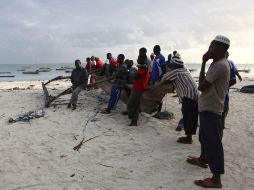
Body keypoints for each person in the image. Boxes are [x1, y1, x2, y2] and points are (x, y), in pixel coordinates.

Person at [187, 35, 230, 188]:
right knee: (205, 138)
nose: (209, 49)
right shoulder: (217, 64)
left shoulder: (220, 65)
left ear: (222, 48)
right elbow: (203, 83)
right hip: (207, 107)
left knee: (214, 144)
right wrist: (206, 62)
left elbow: (201, 86)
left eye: (212, 46)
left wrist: (204, 62)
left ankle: (216, 179)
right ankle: (203, 160)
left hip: (212, 109)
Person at [161, 54, 199, 144]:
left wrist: (168, 69)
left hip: (188, 95)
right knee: (193, 116)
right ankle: (190, 135)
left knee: (187, 116)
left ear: (174, 65)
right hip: (196, 94)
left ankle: (188, 138)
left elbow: (164, 78)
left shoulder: (176, 72)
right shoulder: (185, 70)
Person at [127, 54, 150, 126]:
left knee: (132, 104)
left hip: (139, 88)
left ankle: (134, 120)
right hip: (137, 87)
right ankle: (133, 119)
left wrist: (132, 73)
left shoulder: (143, 68)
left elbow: (136, 76)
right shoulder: (142, 66)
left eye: (138, 58)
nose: (137, 59)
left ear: (142, 60)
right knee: (134, 104)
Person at [222, 51, 242, 130]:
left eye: (228, 54)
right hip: (224, 84)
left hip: (228, 83)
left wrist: (239, 75)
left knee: (226, 106)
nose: (227, 55)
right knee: (223, 105)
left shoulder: (230, 62)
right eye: (226, 54)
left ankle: (222, 123)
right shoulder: (221, 63)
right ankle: (221, 123)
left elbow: (235, 70)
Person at [151, 45, 166, 112]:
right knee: (154, 94)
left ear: (158, 50)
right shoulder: (156, 57)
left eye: (154, 50)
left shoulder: (161, 58)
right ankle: (155, 107)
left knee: (159, 95)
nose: (153, 51)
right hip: (154, 79)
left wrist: (159, 79)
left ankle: (159, 110)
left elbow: (164, 70)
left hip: (158, 79)